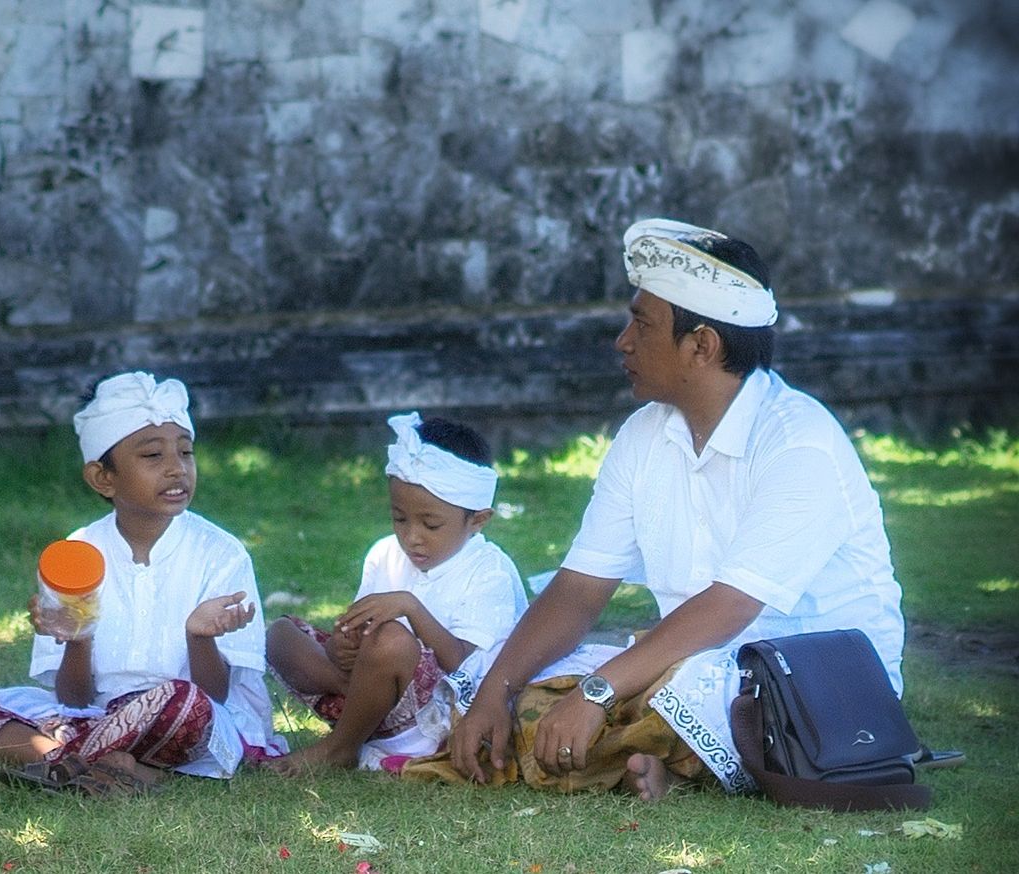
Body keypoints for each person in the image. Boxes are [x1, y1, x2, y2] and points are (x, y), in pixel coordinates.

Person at [416, 218, 905, 801]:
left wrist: (597, 693)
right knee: (513, 682)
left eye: (642, 325)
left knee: (688, 692)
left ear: (702, 345)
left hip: (815, 679)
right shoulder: (643, 435)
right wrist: (496, 690)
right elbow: (579, 588)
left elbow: (728, 609)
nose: (623, 341)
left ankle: (657, 754)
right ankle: (649, 758)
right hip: (685, 659)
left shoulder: (800, 441)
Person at [0, 372, 284, 792]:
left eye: (186, 453)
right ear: (103, 478)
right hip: (96, 715)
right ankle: (114, 764)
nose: (176, 468)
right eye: (153, 456)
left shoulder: (221, 553)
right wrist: (78, 638)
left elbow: (215, 695)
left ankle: (60, 759)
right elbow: (74, 700)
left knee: (183, 704)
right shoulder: (76, 554)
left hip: (192, 719)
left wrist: (199, 637)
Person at [267, 413, 527, 773]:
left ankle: (339, 748)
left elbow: (465, 666)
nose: (412, 536)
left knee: (392, 639)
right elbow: (356, 633)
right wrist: (341, 646)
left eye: (431, 524)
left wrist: (411, 608)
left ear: (478, 520)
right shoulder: (384, 554)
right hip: (374, 692)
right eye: (399, 518)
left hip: (440, 713)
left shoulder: (489, 572)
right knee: (280, 634)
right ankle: (361, 699)